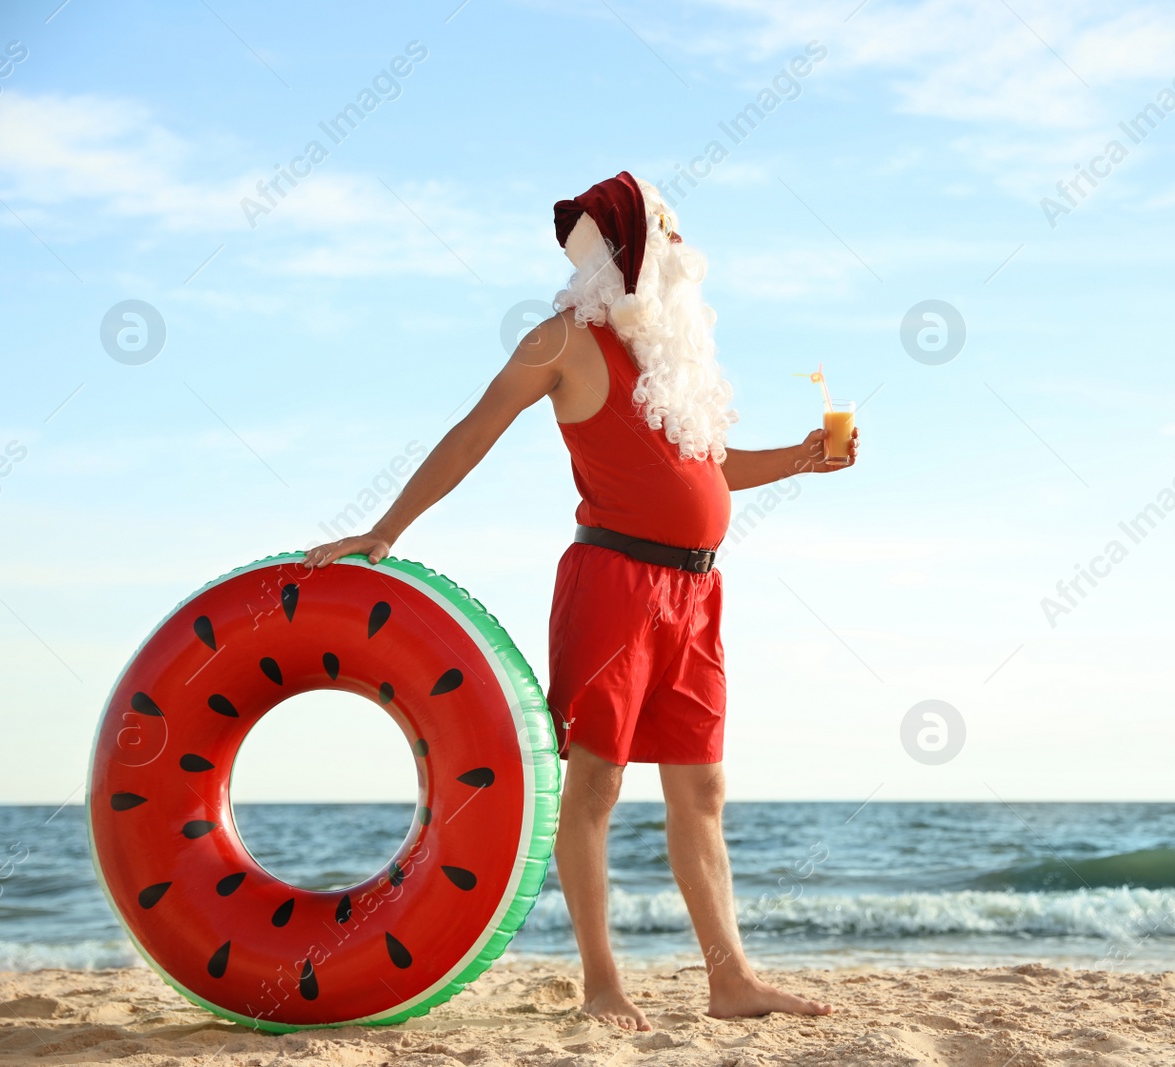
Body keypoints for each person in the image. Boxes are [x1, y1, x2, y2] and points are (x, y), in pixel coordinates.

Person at [306, 171, 858, 1030]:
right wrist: (386, 528)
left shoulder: (671, 362)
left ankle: (731, 978)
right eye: (665, 236)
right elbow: (474, 429)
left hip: (697, 590)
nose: (679, 254)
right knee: (595, 784)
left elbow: (707, 474)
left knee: (702, 789)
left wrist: (797, 457)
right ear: (624, 253)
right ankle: (602, 981)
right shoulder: (561, 342)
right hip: (615, 584)